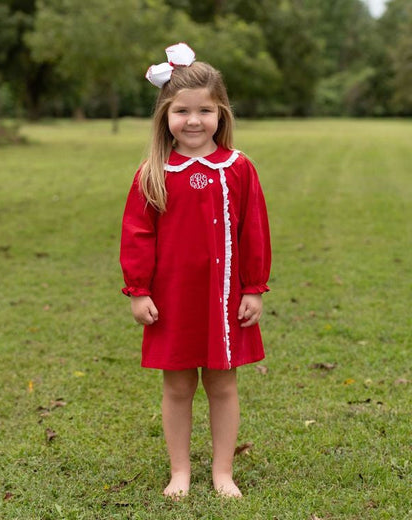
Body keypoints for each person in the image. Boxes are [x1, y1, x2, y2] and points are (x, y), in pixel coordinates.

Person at [120, 43, 271, 498]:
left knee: (223, 384)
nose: (193, 121)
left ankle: (223, 472)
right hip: (174, 299)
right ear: (165, 115)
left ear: (220, 113)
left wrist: (254, 288)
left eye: (205, 110)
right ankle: (180, 471)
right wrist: (139, 291)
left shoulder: (239, 168)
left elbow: (254, 232)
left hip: (226, 297)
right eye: (181, 111)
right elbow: (137, 235)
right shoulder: (154, 172)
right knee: (179, 384)